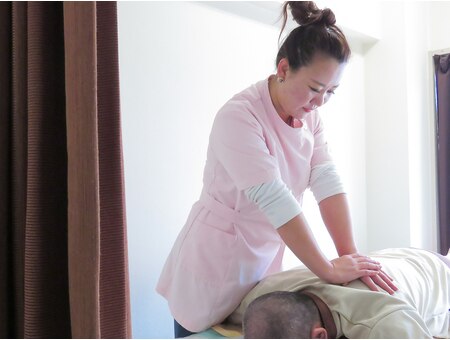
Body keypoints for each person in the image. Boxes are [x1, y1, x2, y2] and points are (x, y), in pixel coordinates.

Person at [156, 1, 396, 337]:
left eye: (331, 92)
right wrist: (327, 269)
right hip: (212, 263)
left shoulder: (311, 116)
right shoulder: (239, 117)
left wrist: (350, 255)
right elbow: (276, 199)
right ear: (283, 69)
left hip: (262, 263)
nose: (320, 102)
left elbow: (326, 180)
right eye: (315, 88)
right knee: (197, 327)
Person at [230, 248, 450, 339]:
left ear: (320, 336)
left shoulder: (382, 322)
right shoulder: (257, 299)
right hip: (395, 258)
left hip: (438, 275)